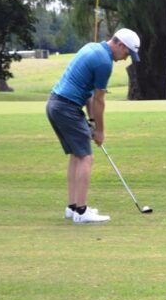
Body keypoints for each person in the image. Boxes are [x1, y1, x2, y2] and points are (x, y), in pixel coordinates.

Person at [46, 28, 140, 224]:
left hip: (55, 104)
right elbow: (99, 100)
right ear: (120, 45)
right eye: (127, 53)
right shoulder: (104, 62)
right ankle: (81, 212)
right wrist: (100, 131)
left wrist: (92, 121)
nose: (125, 59)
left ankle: (72, 208)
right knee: (86, 158)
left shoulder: (92, 48)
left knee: (77, 155)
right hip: (67, 108)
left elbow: (88, 92)